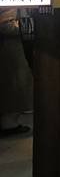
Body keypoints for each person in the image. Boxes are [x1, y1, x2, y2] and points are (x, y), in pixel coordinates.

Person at [0, 9, 33, 137]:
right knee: (14, 87)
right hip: (9, 48)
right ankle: (8, 124)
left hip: (10, 47)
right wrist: (21, 27)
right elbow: (6, 26)